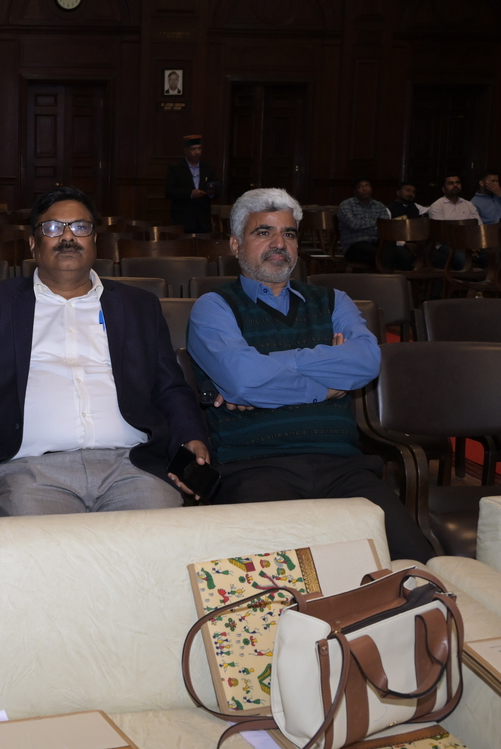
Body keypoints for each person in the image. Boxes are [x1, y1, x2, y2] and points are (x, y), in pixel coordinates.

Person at [186, 188, 435, 562]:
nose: (279, 243)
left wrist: (269, 364)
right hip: (255, 469)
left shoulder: (334, 301)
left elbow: (366, 362)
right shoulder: (214, 307)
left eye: (288, 233)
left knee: (416, 567)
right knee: (277, 581)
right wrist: (328, 383)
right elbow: (243, 381)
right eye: (263, 232)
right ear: (236, 245)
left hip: (344, 468)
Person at [0, 186, 209, 516]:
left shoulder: (138, 306)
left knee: (159, 529)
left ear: (95, 240)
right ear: (33, 243)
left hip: (133, 466)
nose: (67, 236)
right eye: (52, 227)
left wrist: (190, 435)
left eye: (80, 227)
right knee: (40, 539)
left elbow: (170, 387)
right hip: (29, 471)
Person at [165, 135, 218, 233]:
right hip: (183, 218)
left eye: (199, 148)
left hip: (203, 220)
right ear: (185, 150)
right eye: (193, 149)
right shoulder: (175, 168)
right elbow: (169, 192)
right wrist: (190, 193)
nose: (197, 152)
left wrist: (212, 192)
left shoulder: (208, 167)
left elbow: (216, 189)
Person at [336, 176, 391, 266]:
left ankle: (395, 274)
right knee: (380, 255)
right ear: (355, 190)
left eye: (367, 185)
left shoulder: (379, 206)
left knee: (401, 253)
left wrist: (367, 224)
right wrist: (376, 222)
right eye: (360, 187)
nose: (364, 189)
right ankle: (383, 274)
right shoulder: (346, 205)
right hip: (354, 245)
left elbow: (384, 227)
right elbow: (354, 225)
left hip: (376, 242)